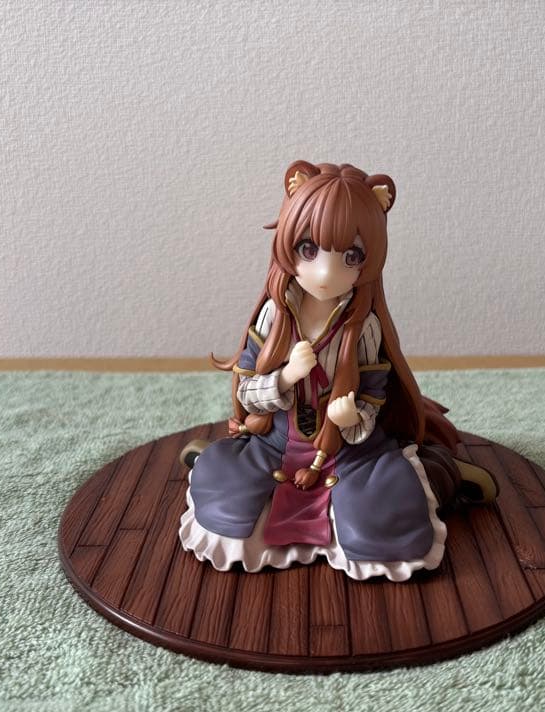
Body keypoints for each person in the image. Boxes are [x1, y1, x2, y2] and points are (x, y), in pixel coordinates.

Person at [178, 161, 496, 581]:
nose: (327, 273)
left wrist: (352, 418)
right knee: (226, 504)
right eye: (309, 250)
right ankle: (217, 463)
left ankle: (440, 477)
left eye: (351, 257)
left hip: (352, 453)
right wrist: (285, 378)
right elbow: (247, 392)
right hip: (273, 444)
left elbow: (374, 395)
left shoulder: (363, 327)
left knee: (378, 520)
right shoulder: (274, 316)